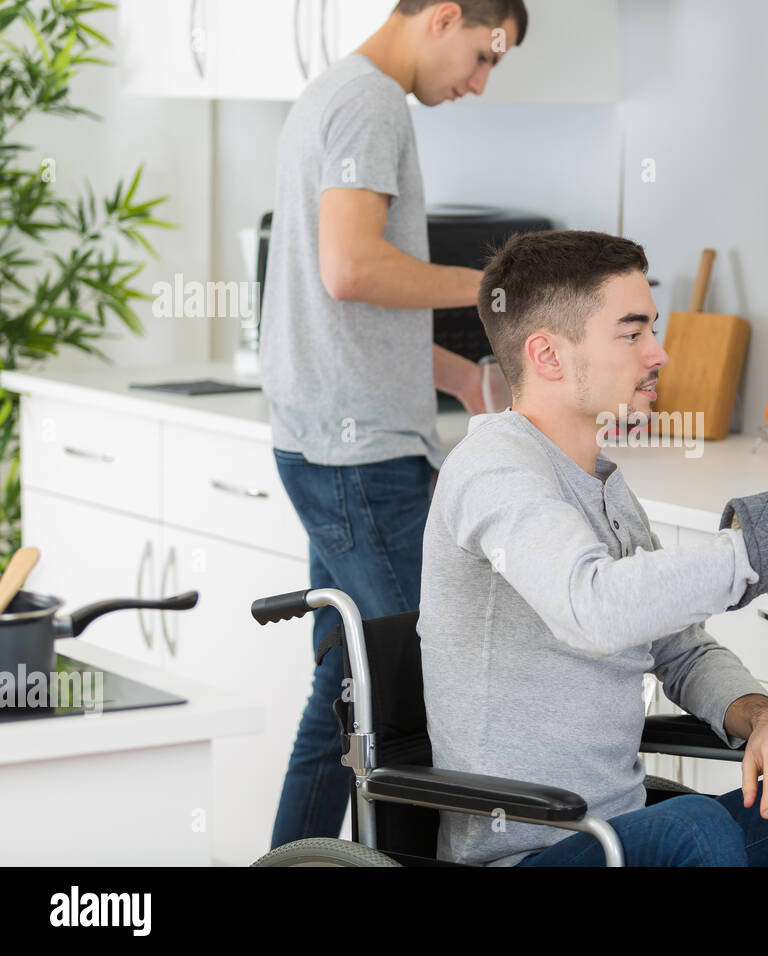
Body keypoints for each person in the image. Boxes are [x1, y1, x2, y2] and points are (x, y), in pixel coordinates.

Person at [418, 229, 768, 866]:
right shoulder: (493, 469)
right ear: (548, 355)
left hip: (626, 839)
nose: (659, 353)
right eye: (632, 332)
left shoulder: (603, 484)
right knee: (694, 826)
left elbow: (678, 647)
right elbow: (595, 609)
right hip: (531, 854)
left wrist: (762, 716)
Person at [259, 0, 528, 851]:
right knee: (411, 689)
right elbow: (350, 269)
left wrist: (461, 379)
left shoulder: (338, 92)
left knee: (350, 688)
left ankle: (288, 862)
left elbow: (347, 313)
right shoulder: (371, 102)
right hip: (361, 457)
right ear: (445, 16)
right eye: (484, 57)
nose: (480, 84)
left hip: (331, 440)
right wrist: (502, 289)